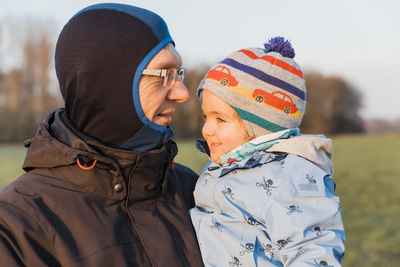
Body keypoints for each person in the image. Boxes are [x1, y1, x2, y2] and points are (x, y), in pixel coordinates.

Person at [0, 3, 204, 266]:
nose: (183, 93)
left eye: (179, 73)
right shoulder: (16, 226)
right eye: (165, 74)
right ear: (108, 83)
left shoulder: (196, 192)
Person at [190, 37, 345, 266]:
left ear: (261, 128)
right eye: (206, 117)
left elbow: (313, 249)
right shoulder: (229, 165)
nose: (206, 130)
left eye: (220, 120)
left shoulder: (287, 176)